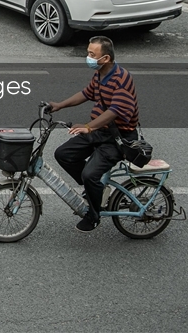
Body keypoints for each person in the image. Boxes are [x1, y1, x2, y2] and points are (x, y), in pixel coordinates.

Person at [48, 36, 140, 233]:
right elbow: (86, 94)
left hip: (118, 137)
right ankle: (93, 190)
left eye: (92, 54)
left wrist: (89, 127)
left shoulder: (121, 79)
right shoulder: (100, 74)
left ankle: (94, 214)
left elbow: (114, 111)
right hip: (100, 132)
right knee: (64, 154)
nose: (88, 57)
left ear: (105, 58)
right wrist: (59, 105)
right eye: (88, 53)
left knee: (90, 173)